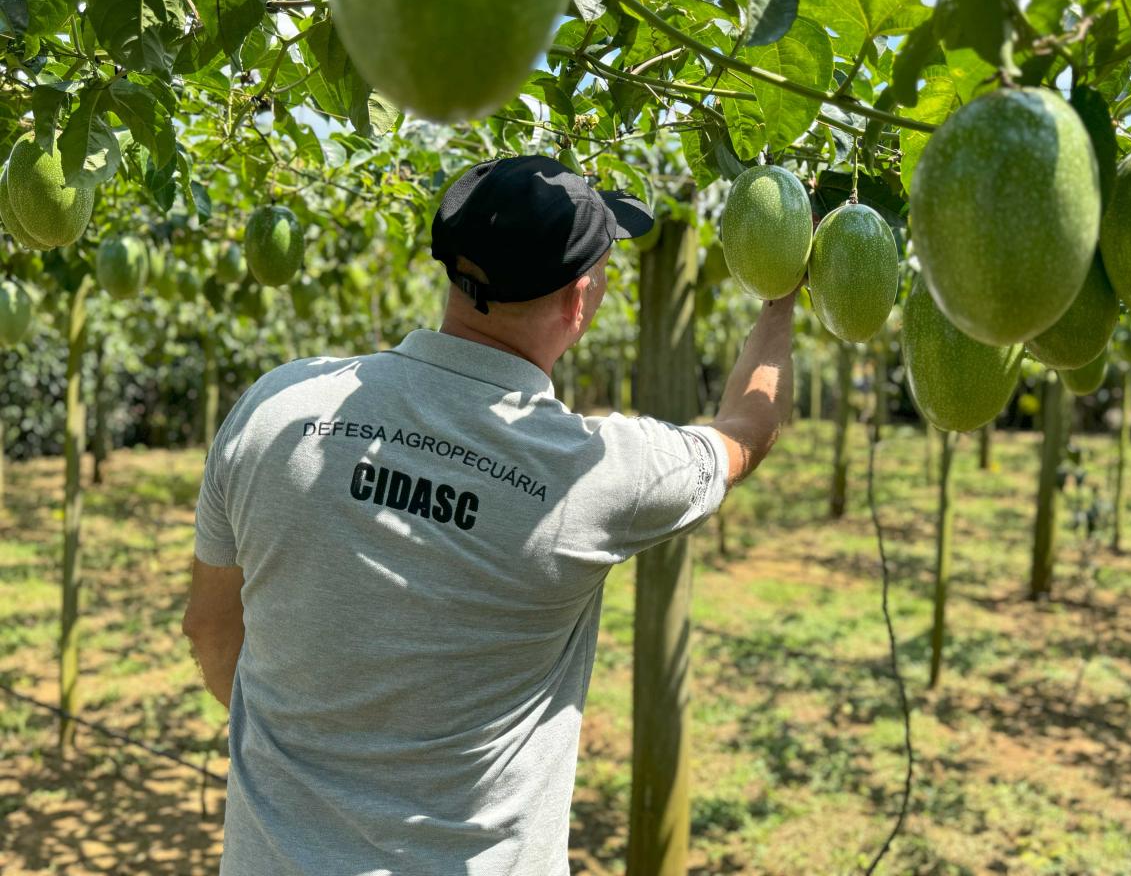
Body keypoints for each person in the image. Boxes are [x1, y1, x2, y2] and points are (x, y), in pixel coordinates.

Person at [182, 155, 796, 875]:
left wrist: (318, 761)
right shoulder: (593, 475)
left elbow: (209, 630)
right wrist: (781, 294)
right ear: (579, 300)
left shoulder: (277, 408)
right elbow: (748, 430)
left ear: (454, 270)